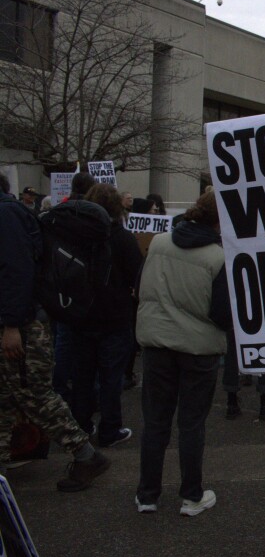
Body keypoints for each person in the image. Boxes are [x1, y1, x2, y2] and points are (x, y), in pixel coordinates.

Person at [0, 173, 110, 490]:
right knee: (6, 399)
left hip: (20, 326)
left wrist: (11, 325)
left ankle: (86, 454)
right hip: (17, 322)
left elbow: (16, 272)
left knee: (35, 396)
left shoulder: (6, 215)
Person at [135, 191, 230, 516]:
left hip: (157, 344)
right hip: (199, 349)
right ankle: (191, 495)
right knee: (191, 423)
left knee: (155, 421)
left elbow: (141, 287)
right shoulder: (218, 258)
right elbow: (222, 314)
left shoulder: (159, 243)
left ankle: (147, 494)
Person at [69, 184, 142, 447]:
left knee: (83, 376)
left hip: (80, 314)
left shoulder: (75, 235)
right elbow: (138, 272)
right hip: (114, 315)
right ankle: (110, 429)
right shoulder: (121, 237)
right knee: (112, 378)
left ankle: (81, 426)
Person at [52, 171, 97, 401]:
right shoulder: (94, 216)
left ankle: (59, 386)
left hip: (60, 282)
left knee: (63, 339)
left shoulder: (58, 212)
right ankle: (86, 392)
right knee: (87, 345)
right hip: (85, 284)